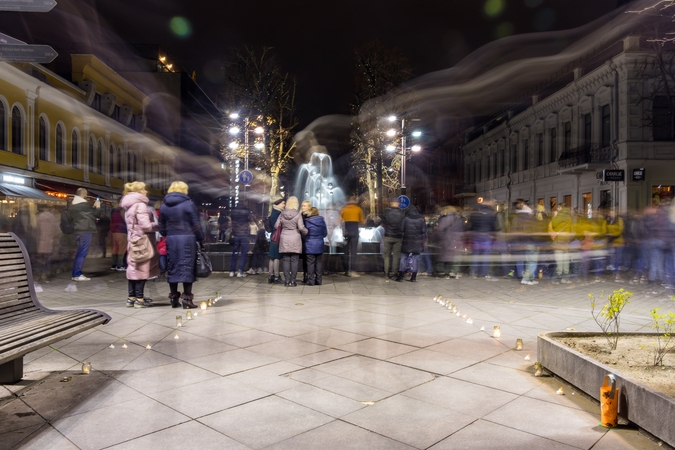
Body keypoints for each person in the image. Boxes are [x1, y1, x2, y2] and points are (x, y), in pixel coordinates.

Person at [160, 181, 204, 309]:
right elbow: (196, 224)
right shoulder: (188, 204)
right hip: (187, 238)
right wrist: (200, 238)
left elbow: (161, 226)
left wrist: (168, 233)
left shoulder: (164, 206)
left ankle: (174, 298)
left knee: (172, 266)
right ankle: (187, 300)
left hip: (171, 239)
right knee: (186, 267)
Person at [120, 182, 159, 308]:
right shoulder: (141, 206)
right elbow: (146, 226)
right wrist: (159, 225)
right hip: (143, 242)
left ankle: (131, 297)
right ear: (139, 192)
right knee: (141, 270)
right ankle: (140, 299)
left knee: (133, 269)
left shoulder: (129, 206)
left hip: (133, 240)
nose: (146, 191)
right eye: (143, 189)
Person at [69, 187, 101, 281]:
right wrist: (98, 206)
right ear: (83, 194)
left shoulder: (73, 205)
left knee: (79, 252)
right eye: (86, 194)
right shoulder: (83, 205)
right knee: (82, 252)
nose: (86, 196)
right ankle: (77, 274)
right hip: (85, 231)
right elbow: (96, 215)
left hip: (77, 230)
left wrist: (93, 208)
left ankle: (76, 273)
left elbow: (87, 214)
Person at [275, 196, 308, 286]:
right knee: (294, 260)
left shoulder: (282, 214)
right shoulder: (297, 214)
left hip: (284, 237)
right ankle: (293, 281)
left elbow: (276, 225)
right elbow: (301, 227)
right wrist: (307, 232)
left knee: (285, 260)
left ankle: (286, 280)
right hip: (295, 238)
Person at [397, 205, 426, 282]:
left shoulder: (405, 218)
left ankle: (400, 277)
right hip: (417, 242)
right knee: (415, 259)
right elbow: (423, 231)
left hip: (407, 241)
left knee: (403, 259)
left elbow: (401, 229)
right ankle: (413, 278)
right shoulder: (421, 219)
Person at [436, 206, 465, 279]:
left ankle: (446, 273)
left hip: (446, 240)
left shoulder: (445, 219)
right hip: (455, 240)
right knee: (453, 257)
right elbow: (461, 230)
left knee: (445, 257)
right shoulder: (458, 219)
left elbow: (440, 230)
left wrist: (441, 238)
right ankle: (453, 272)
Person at [340, 197, 364, 277]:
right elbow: (362, 221)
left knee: (345, 252)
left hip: (346, 233)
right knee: (353, 252)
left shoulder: (343, 209)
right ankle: (352, 270)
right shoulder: (358, 209)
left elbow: (339, 221)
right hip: (354, 232)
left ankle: (346, 270)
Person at [229, 203, 254, 277]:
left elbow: (232, 220)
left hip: (236, 234)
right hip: (244, 235)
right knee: (243, 253)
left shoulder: (233, 211)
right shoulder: (246, 211)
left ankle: (232, 271)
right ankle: (240, 271)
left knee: (234, 253)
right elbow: (251, 219)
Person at [382, 198, 405, 278]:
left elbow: (383, 223)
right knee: (396, 255)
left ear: (391, 203)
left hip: (388, 235)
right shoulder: (401, 213)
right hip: (398, 236)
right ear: (398, 203)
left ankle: (386, 273)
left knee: (386, 255)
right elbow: (403, 225)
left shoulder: (386, 212)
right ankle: (395, 272)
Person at [304, 207, 327, 285]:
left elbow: (304, 232)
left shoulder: (306, 221)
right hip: (319, 243)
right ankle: (319, 280)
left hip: (309, 243)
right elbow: (325, 233)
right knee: (319, 262)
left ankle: (311, 280)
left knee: (310, 263)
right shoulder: (322, 220)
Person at [268, 198, 286, 284]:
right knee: (277, 257)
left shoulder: (273, 212)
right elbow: (277, 226)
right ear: (278, 204)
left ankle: (270, 276)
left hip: (273, 236)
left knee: (272, 257)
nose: (284, 205)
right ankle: (276, 276)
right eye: (283, 203)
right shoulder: (278, 213)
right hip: (277, 237)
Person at [110, 201, 127, 271]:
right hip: (121, 231)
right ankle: (120, 265)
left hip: (114, 232)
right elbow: (125, 220)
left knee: (115, 248)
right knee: (122, 248)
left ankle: (114, 265)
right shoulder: (121, 211)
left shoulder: (113, 212)